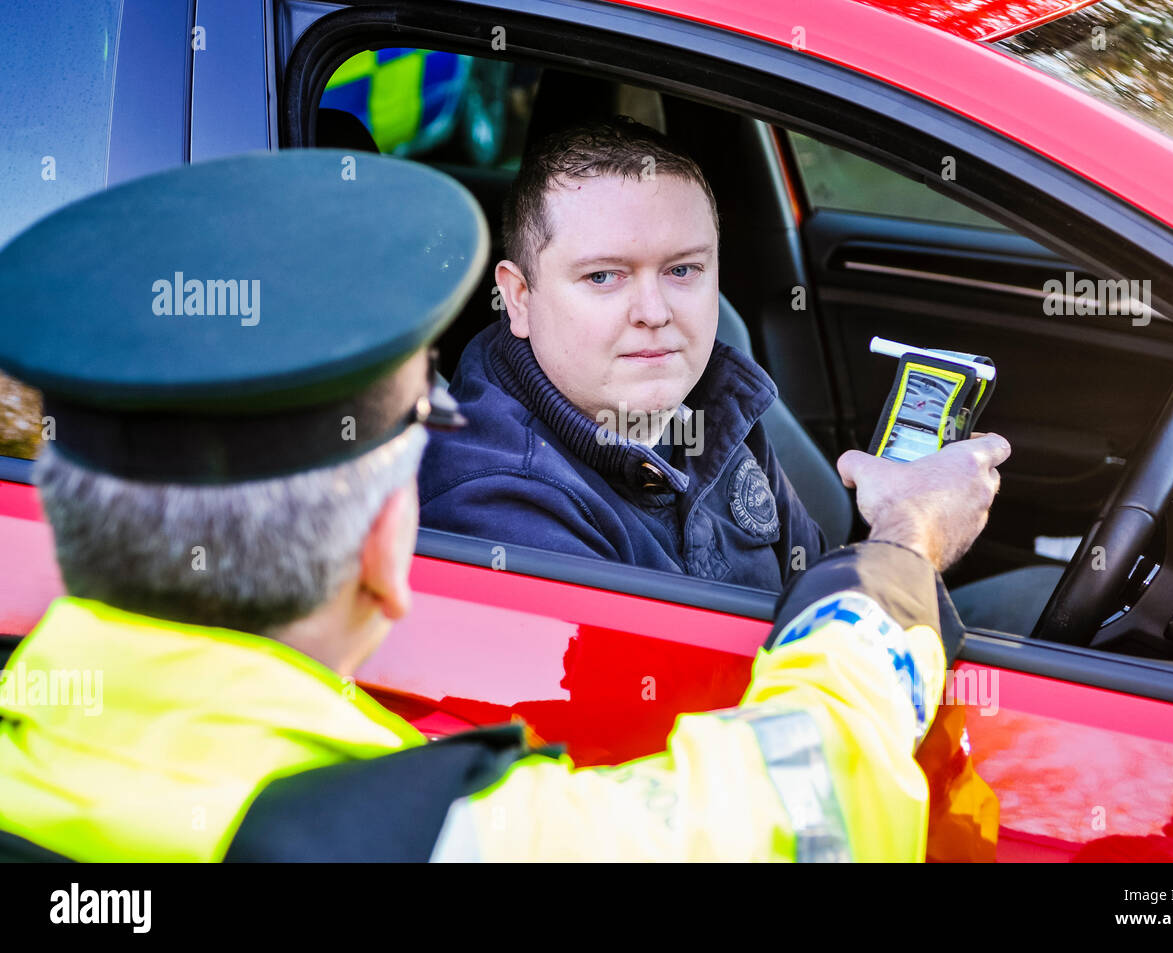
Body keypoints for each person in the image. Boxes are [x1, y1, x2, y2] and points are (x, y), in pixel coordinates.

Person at [0, 149, 1007, 863]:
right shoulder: (452, 837)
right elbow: (817, 802)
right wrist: (905, 540)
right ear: (387, 554)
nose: (651, 309)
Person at [418, 117, 824, 590]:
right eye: (603, 277)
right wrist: (905, 545)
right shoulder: (499, 503)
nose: (654, 313)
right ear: (520, 298)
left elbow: (817, 584)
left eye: (683, 270)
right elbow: (684, 666)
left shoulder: (715, 398)